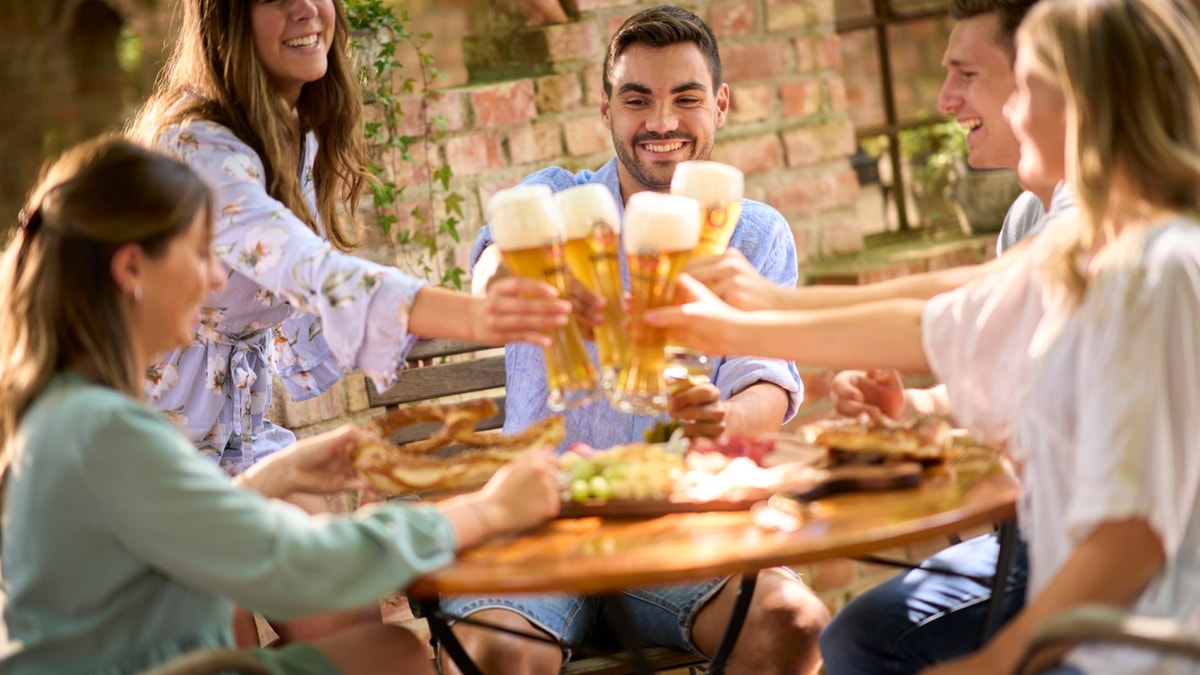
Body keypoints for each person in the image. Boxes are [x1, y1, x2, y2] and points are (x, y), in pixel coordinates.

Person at [649, 0, 1200, 672]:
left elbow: (1132, 538)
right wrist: (752, 313)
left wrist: (997, 659)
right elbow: (933, 310)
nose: (1015, 112)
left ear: (1087, 101)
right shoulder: (1099, 246)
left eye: (1029, 86)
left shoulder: (1158, 266)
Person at [0, 136, 564, 675]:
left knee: (384, 652)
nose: (219, 276)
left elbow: (192, 531)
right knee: (390, 654)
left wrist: (278, 473)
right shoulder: (106, 430)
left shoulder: (66, 410)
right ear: (131, 270)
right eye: (201, 254)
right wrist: (486, 511)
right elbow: (295, 564)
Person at [126, 0, 573, 644]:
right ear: (225, 19)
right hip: (152, 446)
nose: (308, 9)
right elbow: (320, 275)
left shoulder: (288, 133)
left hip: (239, 444)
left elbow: (308, 328)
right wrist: (491, 316)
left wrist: (441, 319)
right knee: (224, 648)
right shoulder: (196, 144)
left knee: (366, 639)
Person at [450, 6, 829, 674]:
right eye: (637, 100)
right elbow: (489, 266)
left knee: (790, 623)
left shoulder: (753, 232)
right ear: (606, 112)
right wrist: (517, 281)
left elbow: (764, 379)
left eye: (685, 99)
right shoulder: (556, 198)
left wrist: (726, 416)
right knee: (494, 654)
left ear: (721, 105)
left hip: (683, 527)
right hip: (543, 524)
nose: (660, 123)